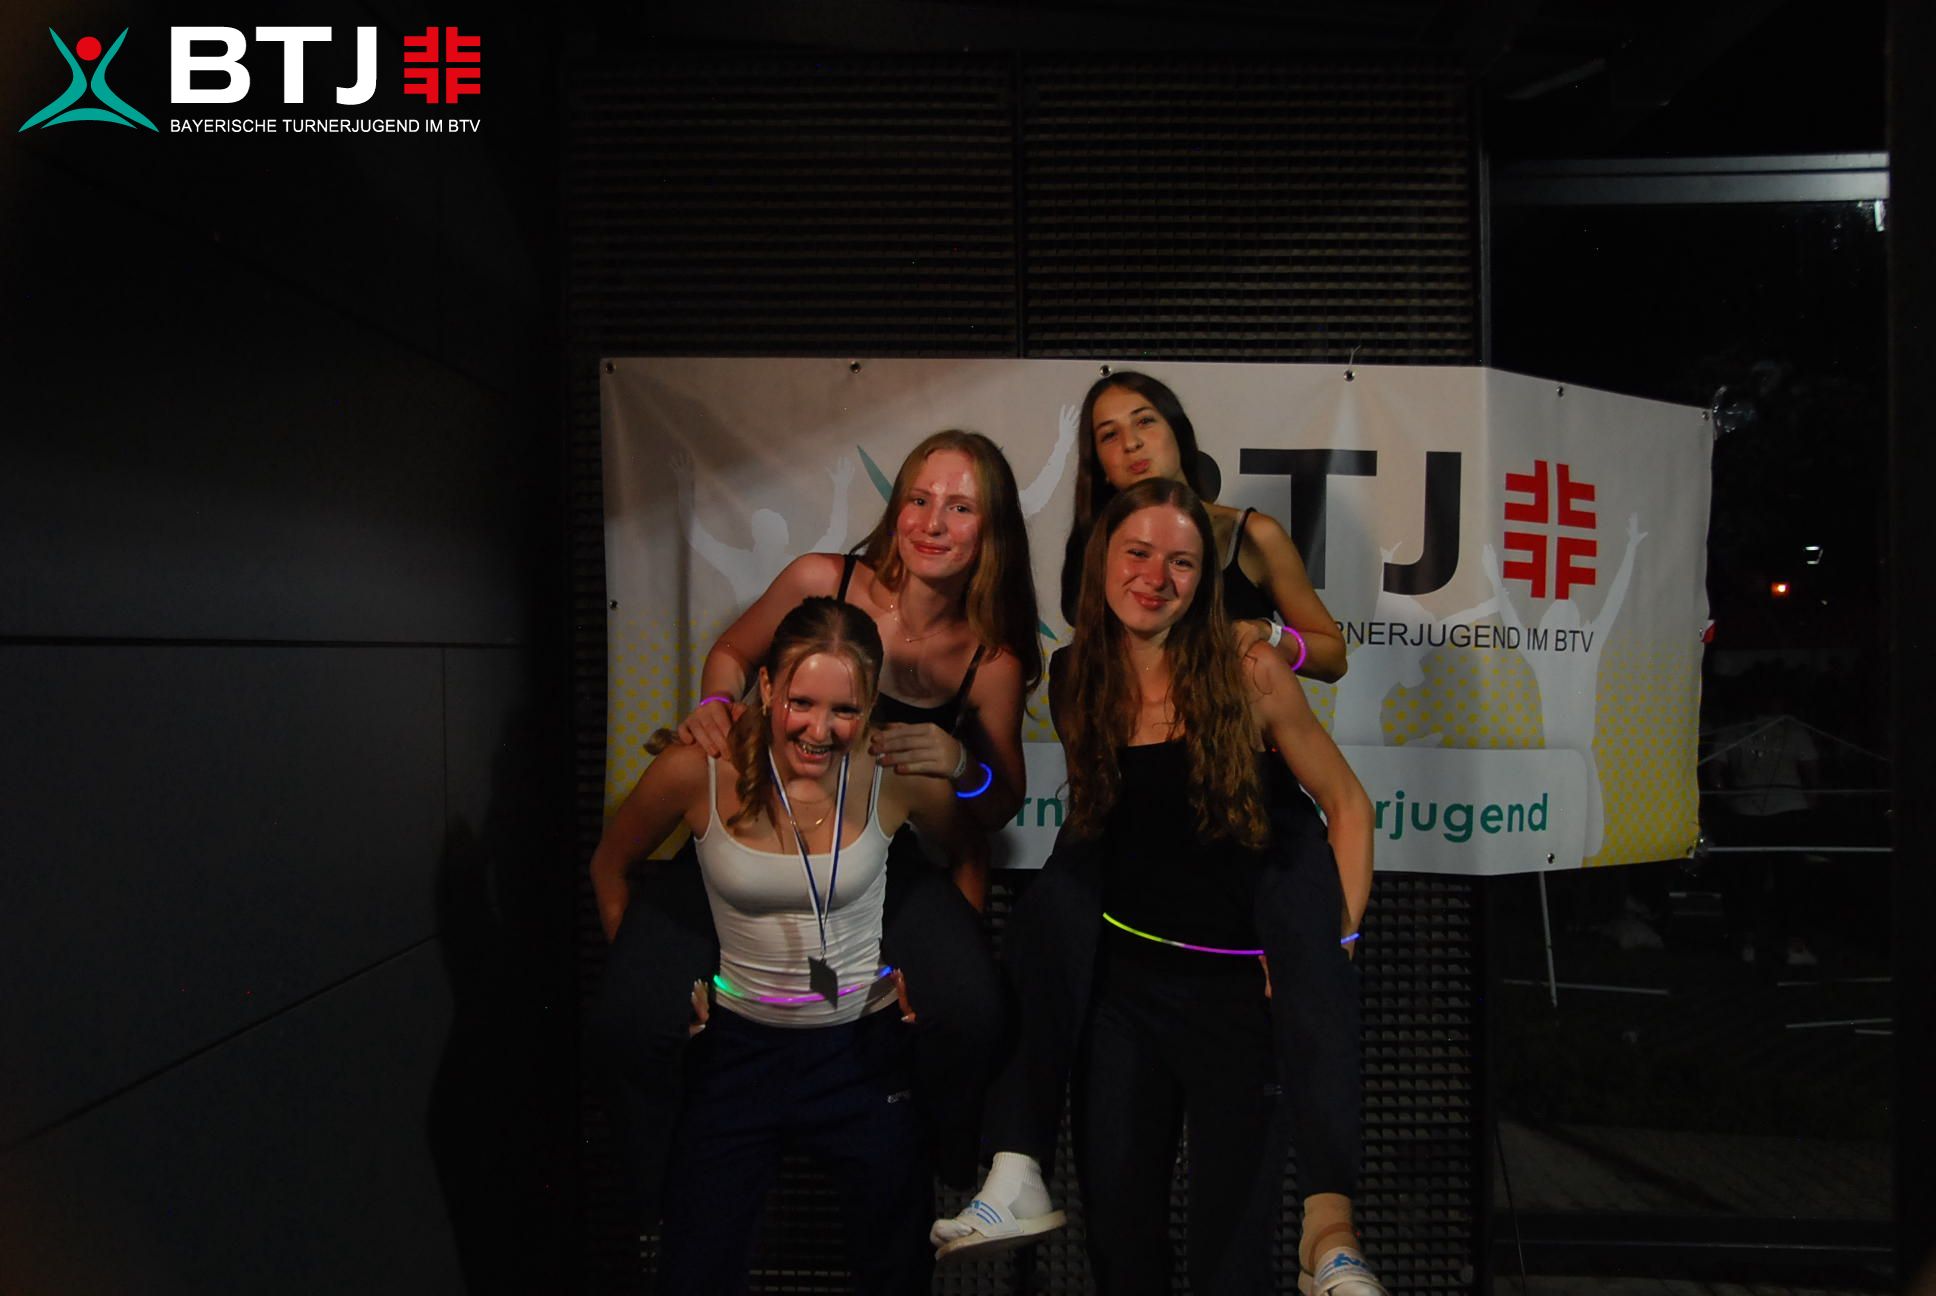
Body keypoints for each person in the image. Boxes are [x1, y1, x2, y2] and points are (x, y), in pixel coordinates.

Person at [937, 475, 1386, 1294]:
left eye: (1181, 562)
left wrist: (1333, 942)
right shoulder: (1075, 677)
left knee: (1230, 1258)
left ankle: (1332, 1236)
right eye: (1137, 553)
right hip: (1127, 996)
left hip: (1239, 997)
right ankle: (1013, 1165)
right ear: (1101, 561)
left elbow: (1349, 806)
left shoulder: (1250, 669)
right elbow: (1112, 831)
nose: (1155, 577)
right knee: (1119, 1241)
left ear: (1204, 580)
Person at [587, 430, 1040, 1224]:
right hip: (750, 836)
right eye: (919, 499)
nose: (933, 522)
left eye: (960, 508)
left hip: (872, 851)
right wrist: (715, 708)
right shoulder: (821, 579)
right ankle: (651, 1198)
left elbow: (996, 805)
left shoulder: (991, 657)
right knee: (632, 1015)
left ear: (992, 528)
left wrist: (963, 764)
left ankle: (943, 1161)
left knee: (973, 1008)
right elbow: (731, 653)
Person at [590, 598, 985, 1293]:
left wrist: (947, 967)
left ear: (870, 705)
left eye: (845, 710)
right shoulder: (697, 769)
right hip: (739, 1054)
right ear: (768, 687)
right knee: (695, 1274)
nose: (819, 730)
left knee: (896, 1273)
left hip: (863, 1055)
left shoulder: (895, 774)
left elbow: (969, 855)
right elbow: (609, 867)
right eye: (801, 702)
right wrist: (654, 983)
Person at [1059, 370, 1348, 683]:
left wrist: (1269, 634)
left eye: (1144, 421)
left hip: (1232, 712)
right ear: (1099, 464)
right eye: (1109, 435)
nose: (1131, 443)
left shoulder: (1253, 534)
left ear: (1178, 432)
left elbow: (1333, 659)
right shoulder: (1094, 545)